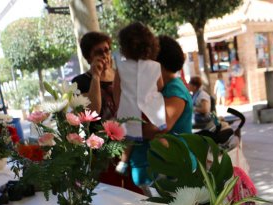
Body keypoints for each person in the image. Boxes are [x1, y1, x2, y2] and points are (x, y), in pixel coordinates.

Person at [72, 32, 142, 194]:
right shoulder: (80, 82)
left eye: (107, 50)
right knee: (113, 196)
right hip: (103, 153)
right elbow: (92, 112)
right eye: (99, 52)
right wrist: (96, 77)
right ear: (88, 57)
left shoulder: (121, 75)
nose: (105, 55)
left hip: (130, 146)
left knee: (137, 196)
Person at [128, 35, 193, 189]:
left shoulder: (174, 89)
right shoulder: (164, 88)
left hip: (168, 171)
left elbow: (159, 127)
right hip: (156, 171)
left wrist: (126, 130)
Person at [113, 22, 166, 176]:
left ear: (124, 46)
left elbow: (116, 89)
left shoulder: (121, 67)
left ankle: (123, 162)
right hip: (149, 111)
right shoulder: (155, 66)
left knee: (128, 140)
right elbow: (160, 85)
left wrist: (120, 106)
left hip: (129, 110)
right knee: (157, 135)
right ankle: (165, 155)